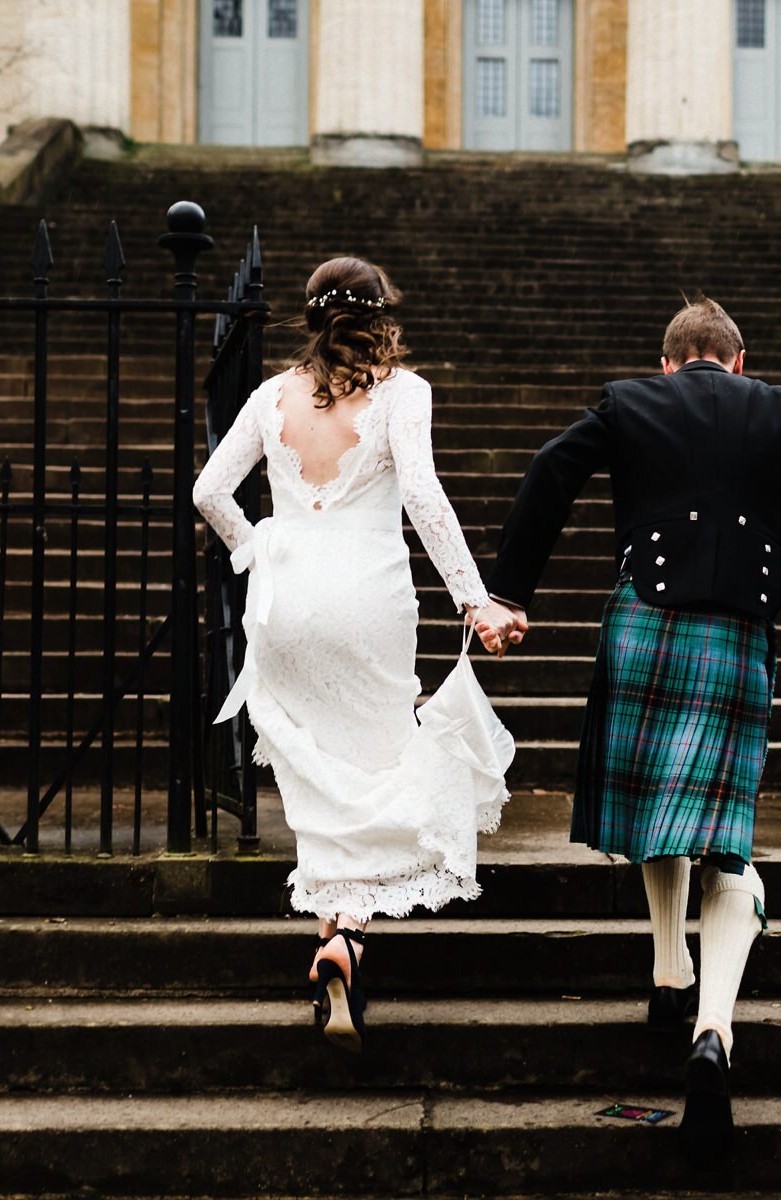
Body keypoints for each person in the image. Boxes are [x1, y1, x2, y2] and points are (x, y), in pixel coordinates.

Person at [485, 297, 781, 1165]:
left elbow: (549, 472)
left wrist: (511, 591)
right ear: (739, 361)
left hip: (642, 621)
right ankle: (710, 1027)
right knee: (723, 838)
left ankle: (668, 971)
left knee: (653, 806)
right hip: (738, 631)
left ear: (671, 361)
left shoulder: (630, 400)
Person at [193, 256, 521, 1054]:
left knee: (316, 772)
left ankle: (334, 936)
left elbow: (209, 491)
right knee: (374, 766)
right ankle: (350, 939)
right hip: (368, 603)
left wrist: (255, 550)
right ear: (382, 314)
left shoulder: (271, 397)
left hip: (286, 604)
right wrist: (474, 599)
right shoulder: (403, 395)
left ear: (311, 317)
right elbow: (423, 495)